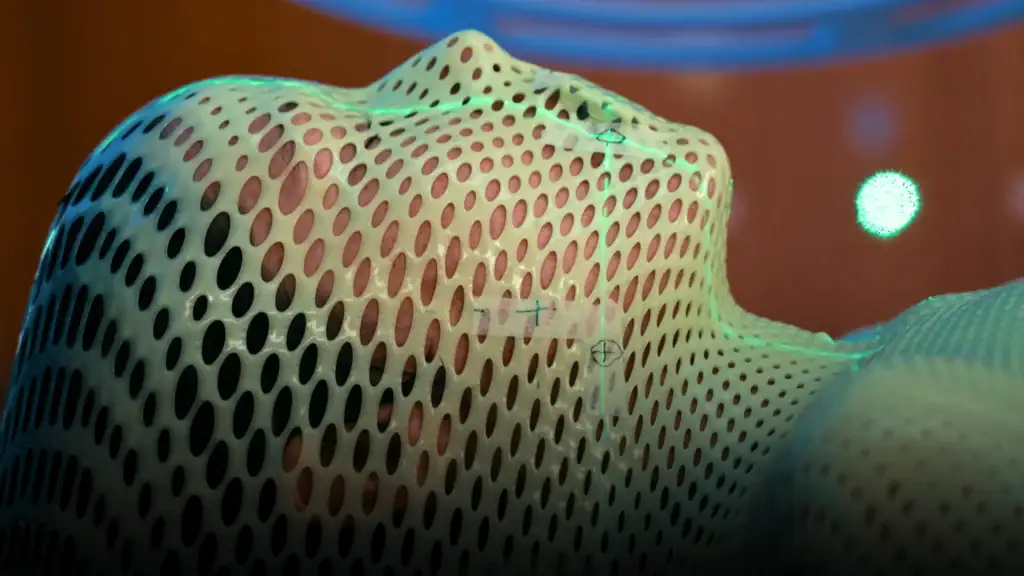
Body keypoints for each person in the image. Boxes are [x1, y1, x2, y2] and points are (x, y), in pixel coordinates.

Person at [0, 29, 1021, 576]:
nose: (462, 56)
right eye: (340, 159)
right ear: (380, 461)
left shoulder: (875, 385)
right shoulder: (897, 482)